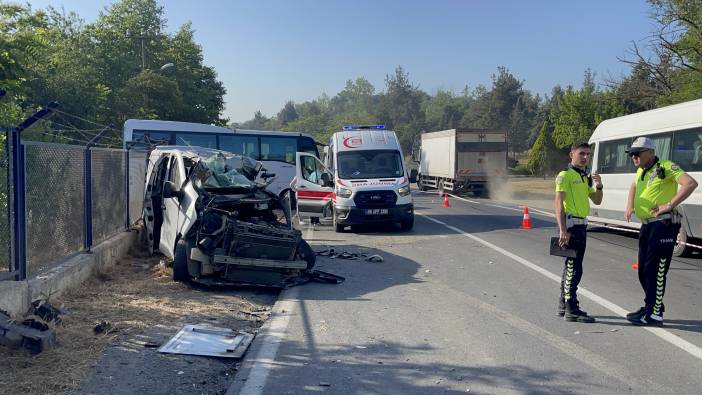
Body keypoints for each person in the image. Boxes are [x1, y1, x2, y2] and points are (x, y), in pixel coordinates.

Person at [624, 137, 698, 326]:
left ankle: (654, 314)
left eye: (638, 153)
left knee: (655, 270)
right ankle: (652, 305)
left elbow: (690, 183)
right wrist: (629, 206)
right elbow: (633, 186)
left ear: (651, 152)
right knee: (643, 270)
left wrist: (669, 204)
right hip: (647, 225)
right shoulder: (641, 170)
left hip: (663, 225)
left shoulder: (665, 166)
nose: (634, 157)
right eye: (632, 154)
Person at [555, 142, 603, 323]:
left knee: (571, 266)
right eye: (581, 153)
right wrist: (562, 230)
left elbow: (597, 200)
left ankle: (563, 304)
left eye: (588, 154)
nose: (585, 157)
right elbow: (558, 203)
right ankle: (571, 308)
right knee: (574, 268)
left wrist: (598, 186)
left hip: (582, 226)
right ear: (571, 155)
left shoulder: (585, 177)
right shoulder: (565, 175)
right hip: (571, 225)